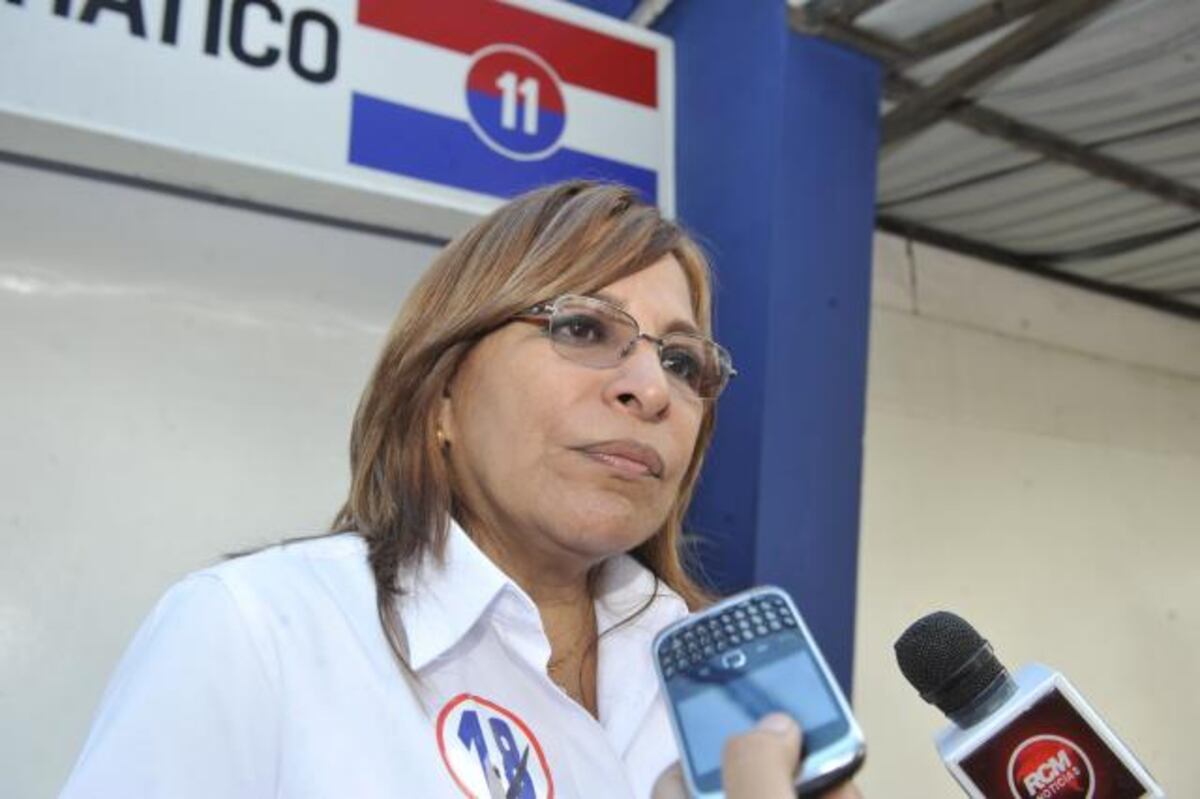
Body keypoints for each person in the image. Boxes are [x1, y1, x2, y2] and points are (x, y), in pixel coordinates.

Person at [61, 180, 859, 798]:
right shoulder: (258, 630)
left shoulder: (722, 676)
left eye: (683, 361)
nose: (652, 389)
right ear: (441, 393)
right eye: (583, 327)